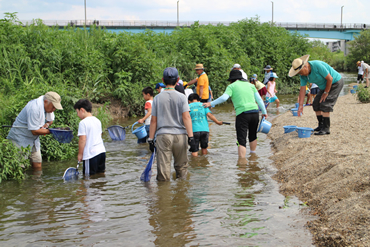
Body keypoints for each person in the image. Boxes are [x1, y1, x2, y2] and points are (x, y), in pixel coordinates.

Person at [203, 70, 267, 157]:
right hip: (255, 112)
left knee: (241, 140)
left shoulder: (231, 86)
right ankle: (253, 156)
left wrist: (211, 103)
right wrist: (264, 112)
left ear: (232, 79)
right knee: (253, 135)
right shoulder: (251, 85)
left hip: (243, 114)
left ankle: (242, 163)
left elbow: (224, 98)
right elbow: (259, 99)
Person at [148, 67, 195, 181]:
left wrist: (150, 139)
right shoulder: (182, 97)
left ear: (163, 80)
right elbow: (186, 117)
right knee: (182, 169)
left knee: (163, 173)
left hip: (163, 136)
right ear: (178, 79)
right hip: (180, 136)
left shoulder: (157, 98)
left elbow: (153, 120)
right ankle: (182, 195)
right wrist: (191, 137)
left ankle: (164, 196)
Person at [289, 55, 344, 135]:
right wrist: (300, 105)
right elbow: (302, 90)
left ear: (305, 66)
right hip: (324, 86)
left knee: (325, 104)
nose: (301, 74)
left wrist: (326, 93)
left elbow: (330, 79)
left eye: (301, 72)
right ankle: (321, 126)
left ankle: (326, 128)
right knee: (316, 104)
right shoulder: (303, 75)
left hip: (335, 82)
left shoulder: (317, 65)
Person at [7, 92, 63, 169]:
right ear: (46, 102)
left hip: (33, 139)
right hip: (20, 137)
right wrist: (53, 131)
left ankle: (37, 180)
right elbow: (34, 131)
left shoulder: (48, 108)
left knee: (37, 163)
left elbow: (50, 121)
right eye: (53, 107)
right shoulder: (34, 108)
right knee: (20, 166)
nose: (54, 109)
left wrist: (46, 125)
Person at [74, 99, 106, 175]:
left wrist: (80, 154)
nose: (78, 115)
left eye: (77, 112)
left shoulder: (83, 123)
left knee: (87, 178)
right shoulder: (97, 120)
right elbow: (100, 135)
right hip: (101, 152)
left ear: (82, 110)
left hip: (90, 155)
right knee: (100, 174)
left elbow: (82, 139)